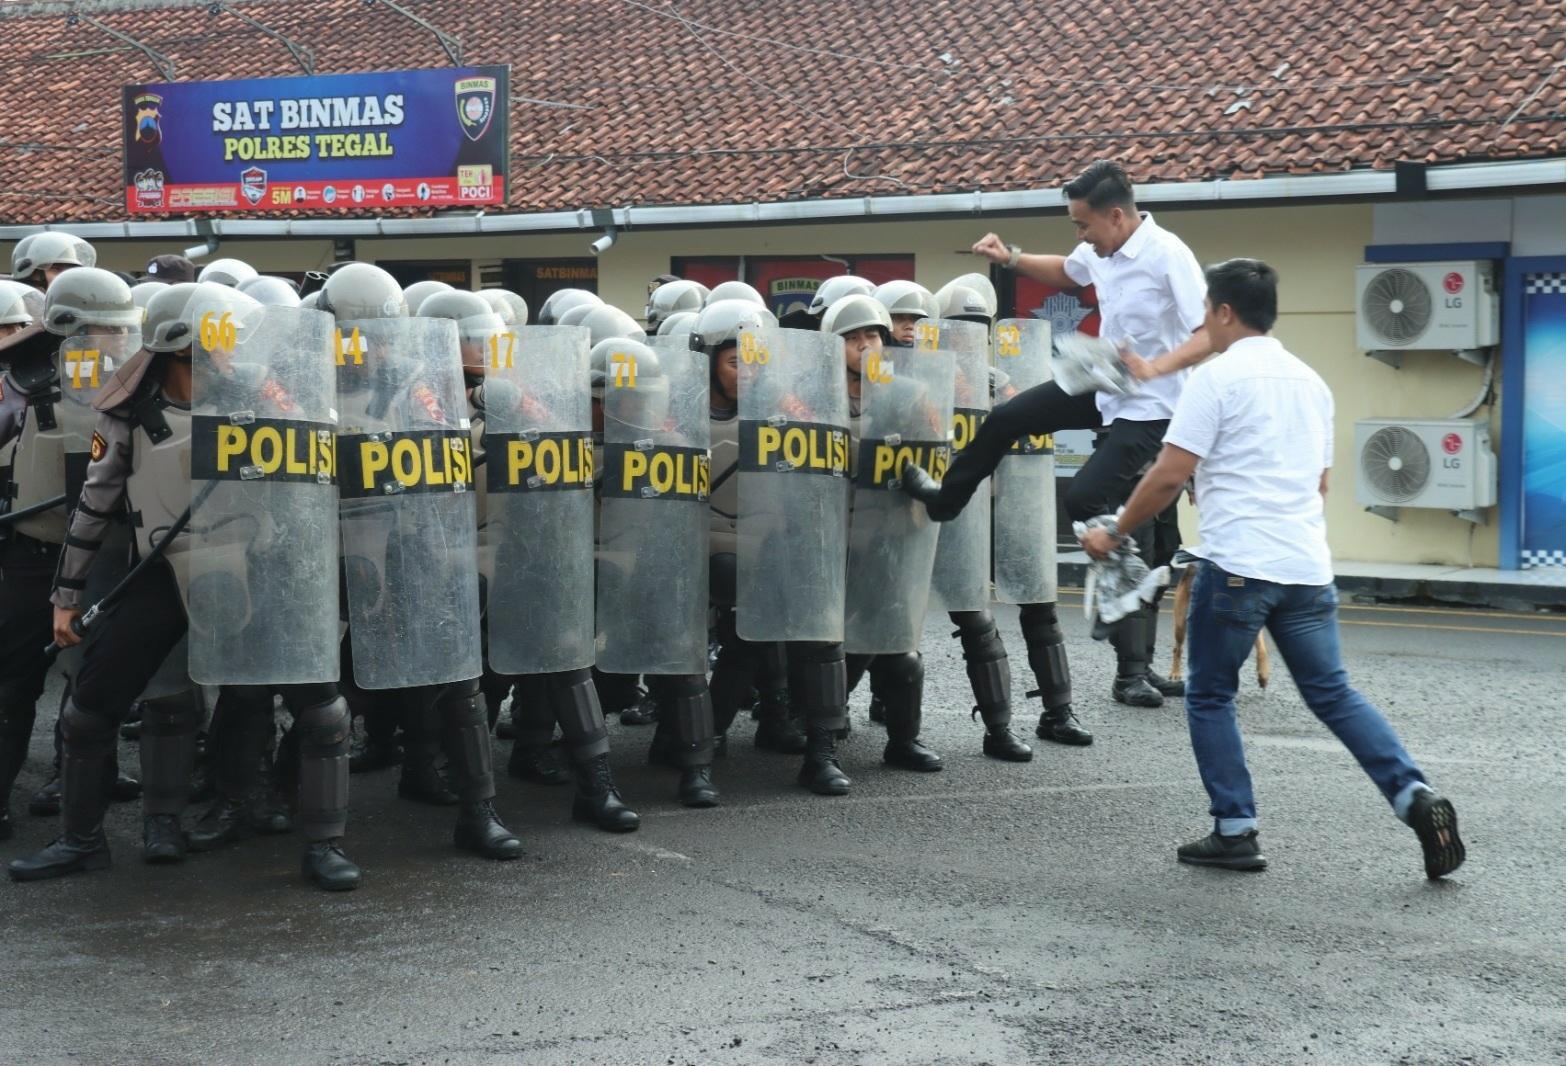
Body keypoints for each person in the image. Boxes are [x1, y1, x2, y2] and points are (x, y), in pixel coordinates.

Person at [1079, 258, 1465, 879]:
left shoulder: (1217, 378)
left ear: (1224, 312)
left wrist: (1115, 530)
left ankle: (1235, 830)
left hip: (1237, 566)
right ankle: (1412, 794)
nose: (1204, 323)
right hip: (1307, 566)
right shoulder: (1311, 381)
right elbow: (1318, 483)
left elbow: (1169, 474)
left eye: (1206, 312)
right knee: (1333, 693)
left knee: (1209, 695)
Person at [903, 159, 1208, 709]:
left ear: (1117, 216)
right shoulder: (1102, 250)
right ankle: (946, 500)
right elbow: (1069, 271)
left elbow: (1207, 333)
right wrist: (1011, 258)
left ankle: (1123, 608)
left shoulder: (1170, 256)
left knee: (1093, 499)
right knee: (1007, 419)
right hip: (1105, 383)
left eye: (1083, 225)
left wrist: (1158, 369)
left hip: (1154, 408)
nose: (1080, 236)